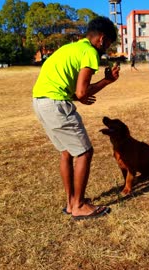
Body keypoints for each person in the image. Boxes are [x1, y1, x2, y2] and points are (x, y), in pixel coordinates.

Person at [32, 16, 120, 220]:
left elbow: (72, 91)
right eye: (108, 44)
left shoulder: (71, 48)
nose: (107, 48)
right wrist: (106, 81)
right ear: (101, 39)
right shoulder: (90, 52)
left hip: (40, 101)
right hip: (55, 105)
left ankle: (71, 202)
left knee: (66, 152)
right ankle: (79, 206)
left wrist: (81, 95)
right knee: (84, 152)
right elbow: (81, 93)